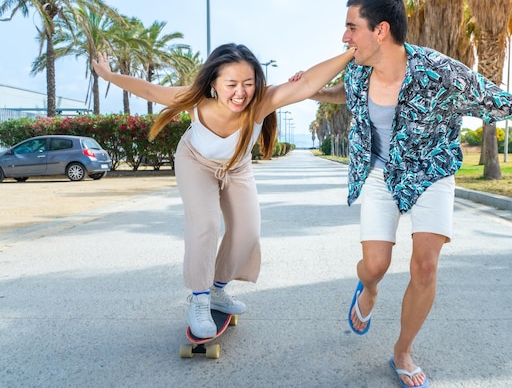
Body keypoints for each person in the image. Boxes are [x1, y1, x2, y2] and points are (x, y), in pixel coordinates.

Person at [293, 0, 512, 388]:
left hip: (432, 172)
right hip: (382, 174)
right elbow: (348, 95)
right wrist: (314, 92)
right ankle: (368, 288)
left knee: (426, 266)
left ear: (380, 30)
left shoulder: (444, 74)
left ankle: (402, 351)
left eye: (351, 27)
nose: (345, 37)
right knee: (375, 265)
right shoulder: (357, 69)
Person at [92, 43, 355, 339]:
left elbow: (307, 83)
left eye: (248, 83)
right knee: (205, 224)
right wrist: (108, 75)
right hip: (194, 162)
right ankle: (199, 299)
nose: (240, 93)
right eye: (231, 84)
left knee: (248, 232)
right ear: (214, 84)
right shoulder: (194, 100)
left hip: (236, 167)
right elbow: (151, 91)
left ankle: (217, 290)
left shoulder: (262, 102)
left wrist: (350, 53)